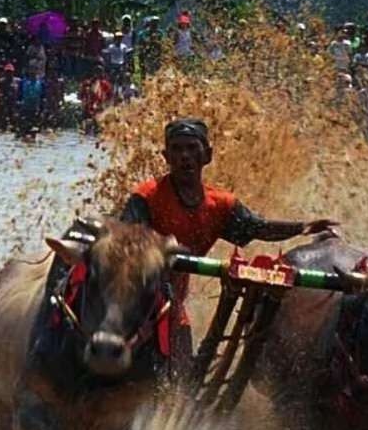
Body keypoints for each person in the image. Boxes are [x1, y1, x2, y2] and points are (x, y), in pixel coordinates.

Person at [118, 118, 337, 362]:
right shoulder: (145, 197)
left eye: (192, 148)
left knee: (183, 380)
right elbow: (129, 239)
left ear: (207, 155)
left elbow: (258, 228)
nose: (184, 156)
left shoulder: (221, 206)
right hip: (131, 300)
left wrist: (302, 227)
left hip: (172, 307)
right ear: (166, 156)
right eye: (177, 149)